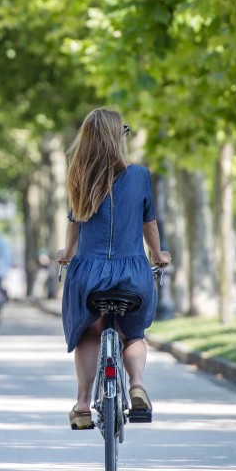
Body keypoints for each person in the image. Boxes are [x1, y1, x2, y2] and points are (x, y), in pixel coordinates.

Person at [55, 107, 172, 430]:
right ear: (118, 137)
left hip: (88, 278)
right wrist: (158, 255)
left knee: (90, 333)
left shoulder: (78, 175)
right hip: (132, 275)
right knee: (132, 334)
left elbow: (74, 227)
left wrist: (66, 254)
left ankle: (81, 405)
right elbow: (150, 224)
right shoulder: (139, 176)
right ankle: (136, 386)